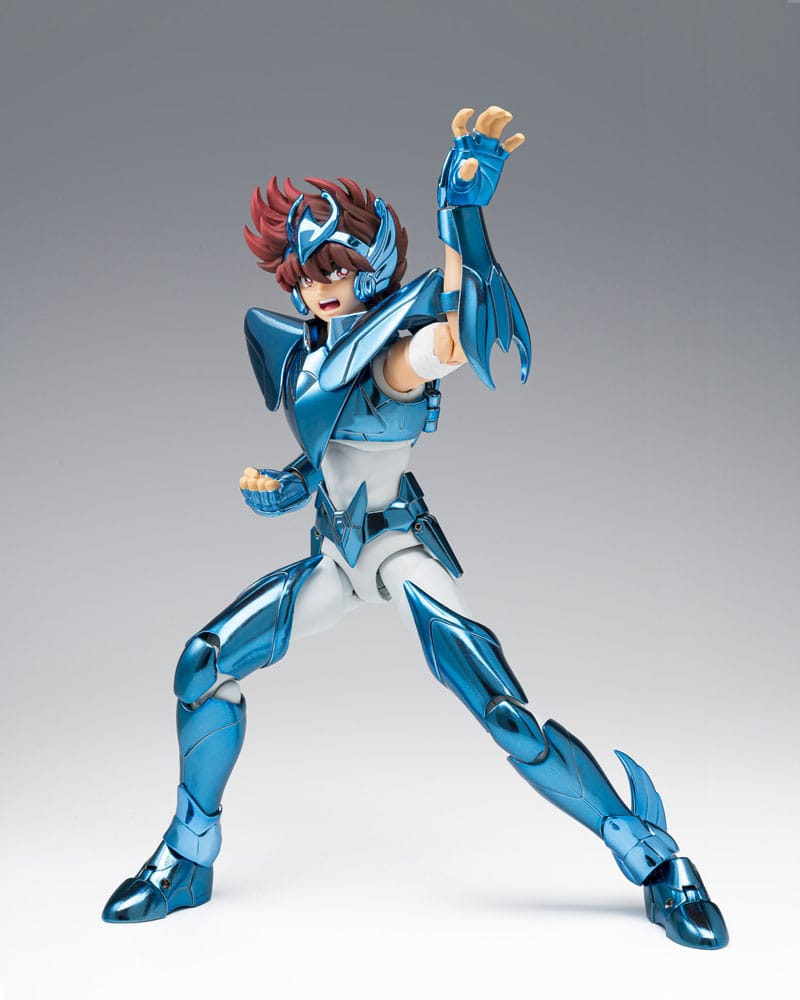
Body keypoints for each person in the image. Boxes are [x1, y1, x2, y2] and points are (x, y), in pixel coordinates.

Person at [102, 107, 728, 949]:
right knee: (201, 664)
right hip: (334, 558)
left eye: (340, 267)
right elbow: (330, 455)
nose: (324, 285)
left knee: (504, 713)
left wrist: (460, 216)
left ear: (371, 268)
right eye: (309, 272)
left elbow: (453, 343)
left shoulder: (389, 356)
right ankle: (188, 856)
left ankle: (653, 856)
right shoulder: (302, 356)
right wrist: (287, 486)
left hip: (396, 551)